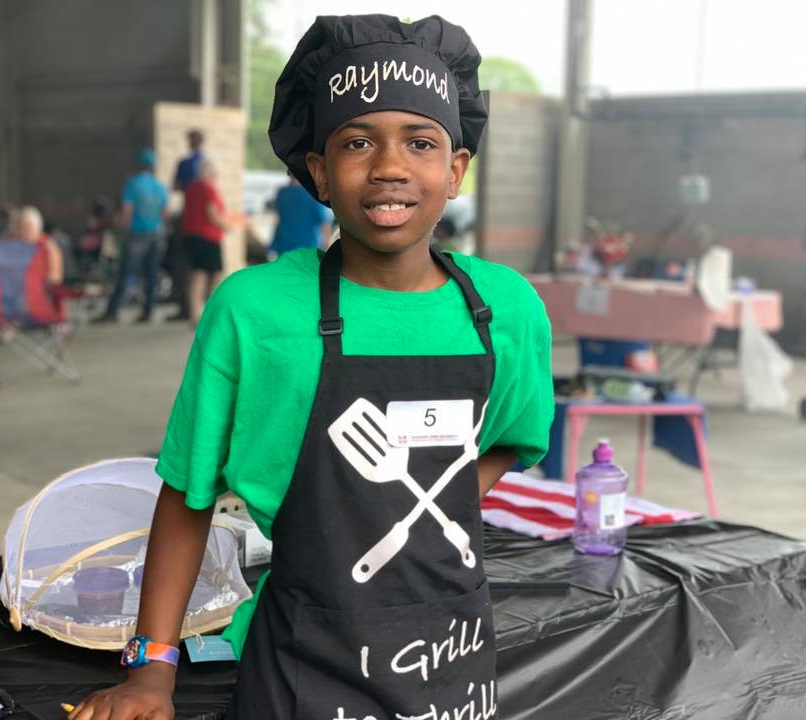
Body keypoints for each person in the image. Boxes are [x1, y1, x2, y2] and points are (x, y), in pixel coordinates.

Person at [69, 15, 553, 720]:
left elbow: (514, 434)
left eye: (420, 142)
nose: (389, 166)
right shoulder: (255, 309)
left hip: (448, 652)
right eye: (357, 142)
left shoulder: (505, 307)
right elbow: (188, 492)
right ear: (319, 172)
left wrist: (425, 497)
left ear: (455, 170)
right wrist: (153, 669)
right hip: (304, 657)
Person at [95, 149, 169, 323]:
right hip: (156, 234)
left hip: (137, 234)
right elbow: (164, 214)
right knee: (151, 274)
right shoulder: (160, 186)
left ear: (139, 165)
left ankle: (112, 311)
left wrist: (120, 226)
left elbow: (127, 212)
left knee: (126, 272)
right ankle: (148, 312)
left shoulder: (132, 184)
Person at [179, 159, 228, 323]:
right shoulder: (209, 190)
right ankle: (210, 313)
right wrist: (226, 225)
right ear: (209, 173)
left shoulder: (190, 188)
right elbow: (212, 215)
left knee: (197, 274)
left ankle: (195, 314)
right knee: (216, 274)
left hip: (191, 236)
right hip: (208, 236)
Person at [164, 129, 206, 321]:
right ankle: (199, 308)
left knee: (183, 264)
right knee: (202, 268)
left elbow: (175, 187)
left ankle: (185, 308)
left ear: (190, 142)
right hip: (204, 220)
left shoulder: (184, 163)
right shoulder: (207, 164)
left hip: (188, 218)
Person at [268, 171, 334, 257]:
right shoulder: (314, 195)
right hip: (308, 247)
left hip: (283, 246)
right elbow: (325, 223)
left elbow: (278, 218)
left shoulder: (282, 193)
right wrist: (328, 245)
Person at [16, 206, 64, 286]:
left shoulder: (48, 246)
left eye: (29, 228)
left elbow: (56, 277)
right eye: (23, 227)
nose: (25, 232)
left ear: (37, 228)